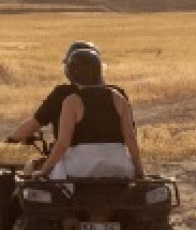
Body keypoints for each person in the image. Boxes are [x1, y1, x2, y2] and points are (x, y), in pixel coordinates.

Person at [34, 47, 143, 180]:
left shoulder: (72, 101)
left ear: (70, 73)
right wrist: (139, 171)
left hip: (81, 167)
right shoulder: (118, 98)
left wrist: (44, 171)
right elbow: (130, 138)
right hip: (118, 164)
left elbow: (63, 143)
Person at [6, 41, 128, 143]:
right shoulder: (117, 93)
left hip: (71, 160)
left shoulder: (62, 95)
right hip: (115, 158)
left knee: (33, 167)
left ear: (70, 69)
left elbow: (34, 124)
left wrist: (12, 138)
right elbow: (130, 133)